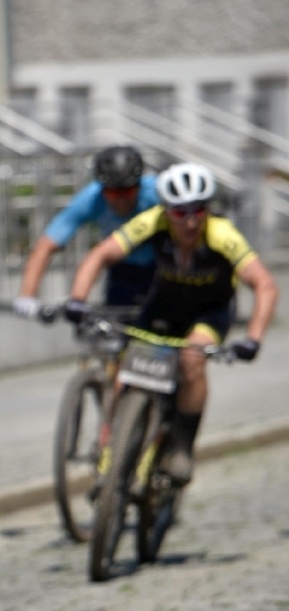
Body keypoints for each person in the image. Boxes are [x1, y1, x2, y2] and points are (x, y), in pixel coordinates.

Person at [64, 161, 279, 485]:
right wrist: (77, 299)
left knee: (193, 361)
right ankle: (116, 452)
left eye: (198, 210)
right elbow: (101, 254)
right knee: (124, 376)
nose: (190, 220)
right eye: (180, 212)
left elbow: (264, 284)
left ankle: (181, 447)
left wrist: (254, 338)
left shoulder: (221, 234)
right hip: (163, 308)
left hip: (209, 312)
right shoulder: (153, 221)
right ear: (167, 210)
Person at [14, 145, 159, 316]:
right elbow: (46, 245)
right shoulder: (91, 199)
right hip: (122, 270)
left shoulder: (157, 193)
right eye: (113, 194)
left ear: (139, 185)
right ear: (102, 188)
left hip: (164, 269)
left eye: (128, 191)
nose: (121, 201)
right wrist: (27, 295)